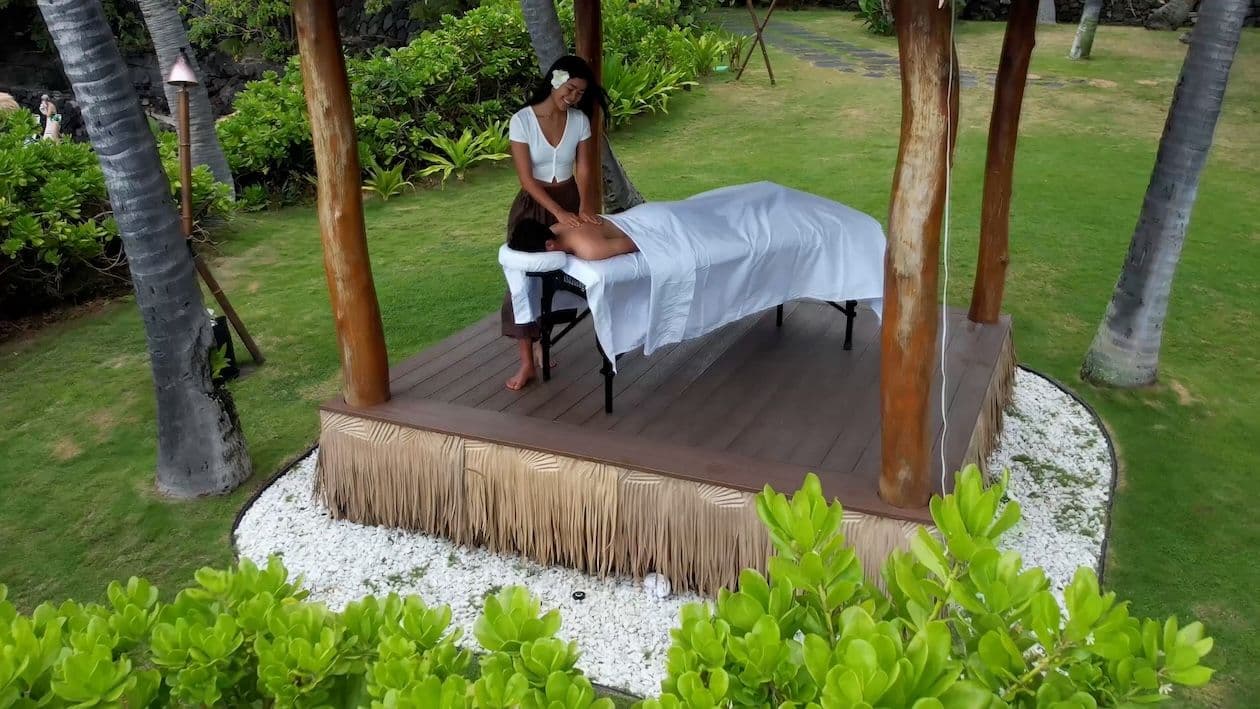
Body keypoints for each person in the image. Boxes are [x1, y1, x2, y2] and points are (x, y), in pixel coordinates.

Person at [502, 55, 609, 391]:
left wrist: (586, 207)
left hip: (570, 201)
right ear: (556, 80)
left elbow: (586, 170)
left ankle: (545, 342)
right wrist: (559, 213)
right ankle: (526, 361)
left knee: (572, 274)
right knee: (523, 282)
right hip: (533, 207)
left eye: (580, 93)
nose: (574, 96)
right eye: (571, 88)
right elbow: (526, 179)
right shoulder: (522, 120)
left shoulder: (579, 121)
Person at [509, 217, 639, 261]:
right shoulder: (554, 228)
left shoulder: (589, 249)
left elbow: (637, 242)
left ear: (549, 245)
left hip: (645, 225)